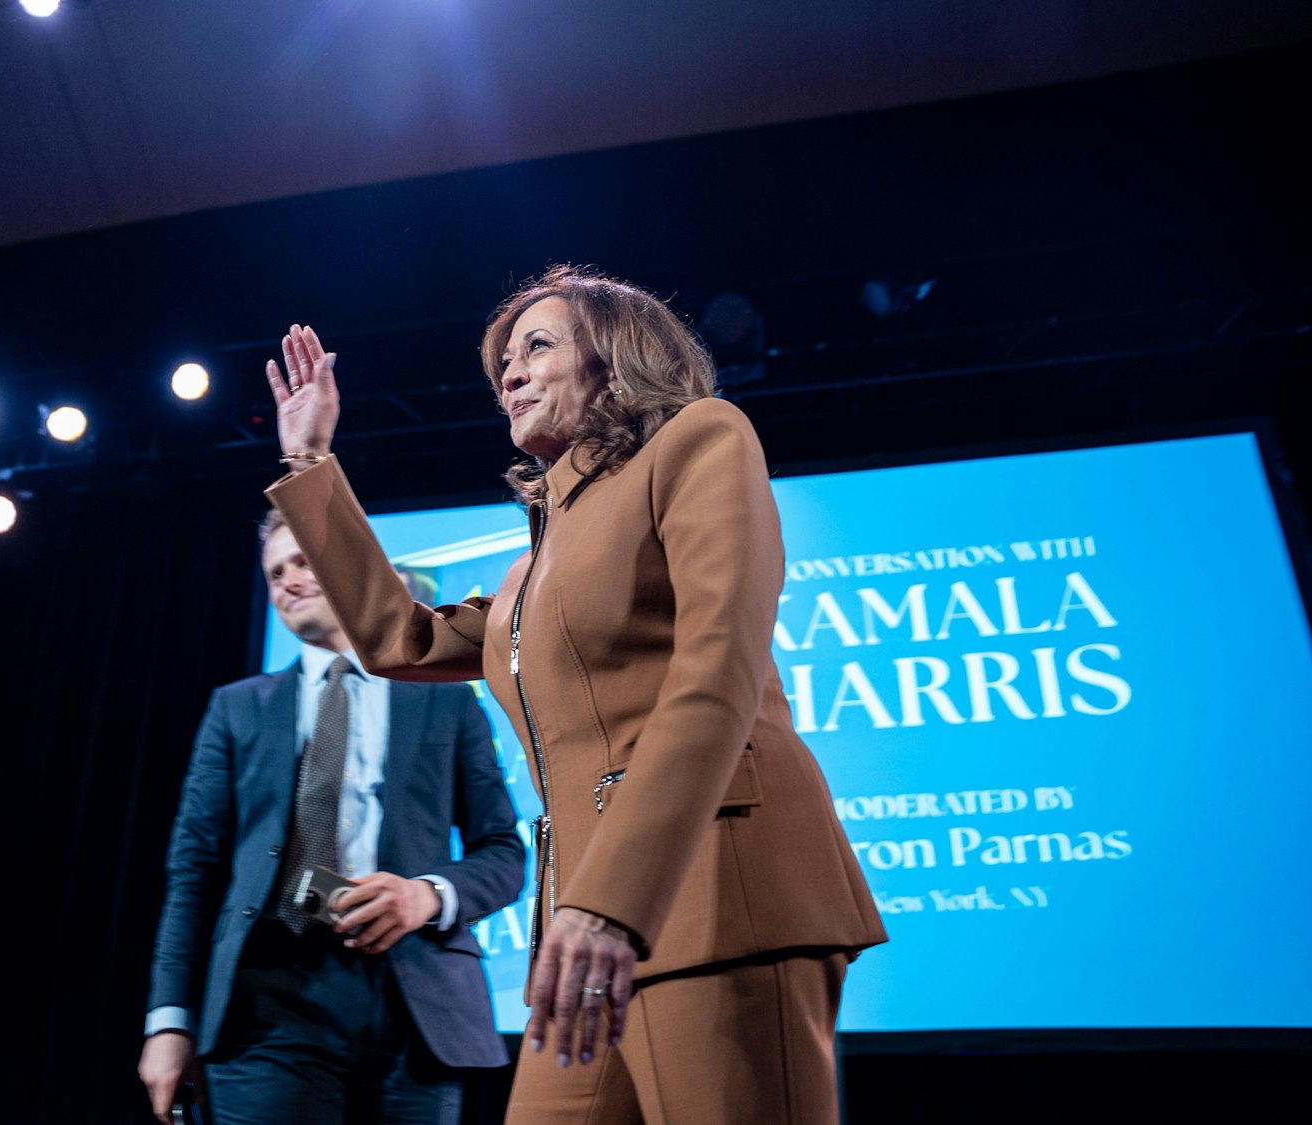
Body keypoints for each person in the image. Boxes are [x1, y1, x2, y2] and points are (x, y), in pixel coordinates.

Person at [260, 266, 889, 1125]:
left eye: (538, 347)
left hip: (717, 892)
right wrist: (310, 461)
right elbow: (394, 639)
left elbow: (717, 675)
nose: (510, 374)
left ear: (617, 359)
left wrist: (610, 901)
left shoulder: (700, 440)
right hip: (582, 937)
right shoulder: (526, 572)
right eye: (502, 365)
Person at [139, 513, 527, 1125]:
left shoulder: (447, 698)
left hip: (415, 1009)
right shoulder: (237, 708)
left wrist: (426, 896)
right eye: (275, 572)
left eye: (302, 562)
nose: (288, 581)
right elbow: (194, 873)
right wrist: (168, 1021)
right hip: (266, 1005)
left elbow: (503, 852)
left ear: (351, 571)